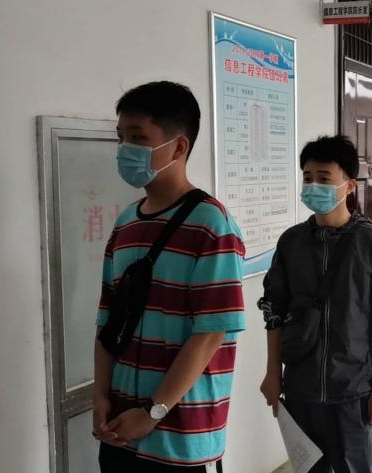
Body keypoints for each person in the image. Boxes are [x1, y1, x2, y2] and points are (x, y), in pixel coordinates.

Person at [93, 81, 246, 472]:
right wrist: (101, 396)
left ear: (178, 147)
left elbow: (210, 333)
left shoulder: (211, 224)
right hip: (120, 426)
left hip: (180, 436)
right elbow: (108, 319)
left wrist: (153, 411)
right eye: (121, 138)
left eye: (138, 137)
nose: (125, 149)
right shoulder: (126, 223)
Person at [259, 135, 372, 472]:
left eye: (324, 178)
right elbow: (274, 310)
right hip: (301, 389)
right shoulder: (292, 241)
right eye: (308, 177)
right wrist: (272, 372)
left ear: (349, 185)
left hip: (354, 392)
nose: (314, 185)